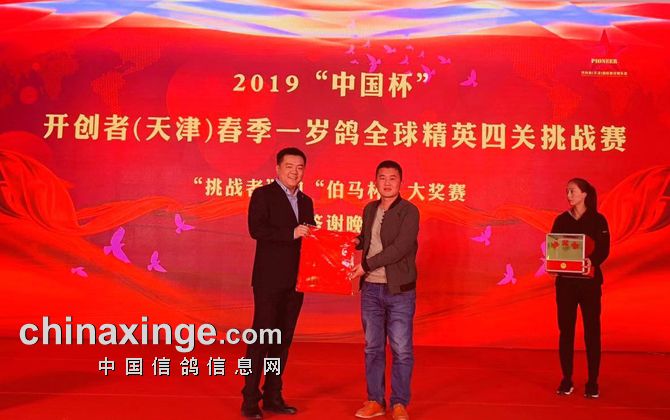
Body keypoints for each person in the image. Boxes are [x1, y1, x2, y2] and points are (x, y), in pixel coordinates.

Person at [241, 147, 315, 419]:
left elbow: (311, 237)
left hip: (296, 282)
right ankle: (250, 398)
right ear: (278, 169)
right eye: (289, 166)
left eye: (299, 167)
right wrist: (291, 233)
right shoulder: (263, 195)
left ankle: (273, 394)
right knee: (261, 339)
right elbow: (256, 229)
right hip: (269, 281)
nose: (294, 172)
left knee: (282, 342)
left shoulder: (306, 201)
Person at [349, 160, 420, 420]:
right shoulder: (370, 209)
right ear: (375, 181)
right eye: (382, 177)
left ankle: (399, 402)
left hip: (399, 291)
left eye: (392, 178)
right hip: (371, 289)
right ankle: (375, 401)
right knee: (373, 348)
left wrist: (365, 265)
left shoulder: (409, 211)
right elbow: (368, 239)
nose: (387, 183)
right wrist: (355, 241)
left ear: (401, 182)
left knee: (401, 349)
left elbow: (400, 248)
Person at [551, 178, 610, 399]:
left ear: (584, 194)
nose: (569, 195)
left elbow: (604, 249)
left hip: (590, 284)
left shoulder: (598, 220)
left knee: (592, 331)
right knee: (566, 331)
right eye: (567, 191)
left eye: (572, 191)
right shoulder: (561, 220)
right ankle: (566, 379)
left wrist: (591, 261)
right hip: (565, 284)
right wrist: (552, 263)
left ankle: (593, 381)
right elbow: (555, 246)